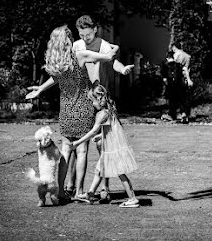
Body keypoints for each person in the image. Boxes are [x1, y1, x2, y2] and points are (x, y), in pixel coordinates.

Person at [25, 25, 118, 202]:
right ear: (68, 40)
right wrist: (115, 47)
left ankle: (59, 191)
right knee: (82, 151)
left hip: (66, 111)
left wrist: (40, 89)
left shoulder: (58, 63)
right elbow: (109, 56)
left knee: (66, 150)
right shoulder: (80, 55)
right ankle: (80, 191)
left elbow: (55, 78)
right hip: (83, 108)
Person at [64, 15, 134, 199]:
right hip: (81, 98)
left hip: (100, 100)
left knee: (103, 146)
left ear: (95, 29)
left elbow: (114, 62)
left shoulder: (104, 45)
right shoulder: (77, 46)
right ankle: (71, 186)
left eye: (88, 34)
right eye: (81, 34)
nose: (85, 38)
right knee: (78, 142)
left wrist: (122, 69)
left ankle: (105, 188)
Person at [72, 82, 139, 208]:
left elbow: (93, 131)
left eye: (92, 101)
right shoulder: (109, 109)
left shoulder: (102, 114)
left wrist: (78, 142)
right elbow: (109, 129)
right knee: (99, 169)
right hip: (111, 146)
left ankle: (133, 198)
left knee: (120, 172)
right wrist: (100, 136)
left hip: (113, 148)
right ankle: (90, 194)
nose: (92, 104)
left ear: (99, 99)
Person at [161, 51, 190, 123]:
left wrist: (166, 86)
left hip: (171, 86)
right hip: (180, 85)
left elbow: (164, 79)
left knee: (172, 102)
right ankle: (183, 115)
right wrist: (188, 80)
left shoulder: (165, 65)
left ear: (167, 58)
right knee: (181, 101)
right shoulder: (178, 65)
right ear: (173, 57)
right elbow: (184, 71)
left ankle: (171, 115)